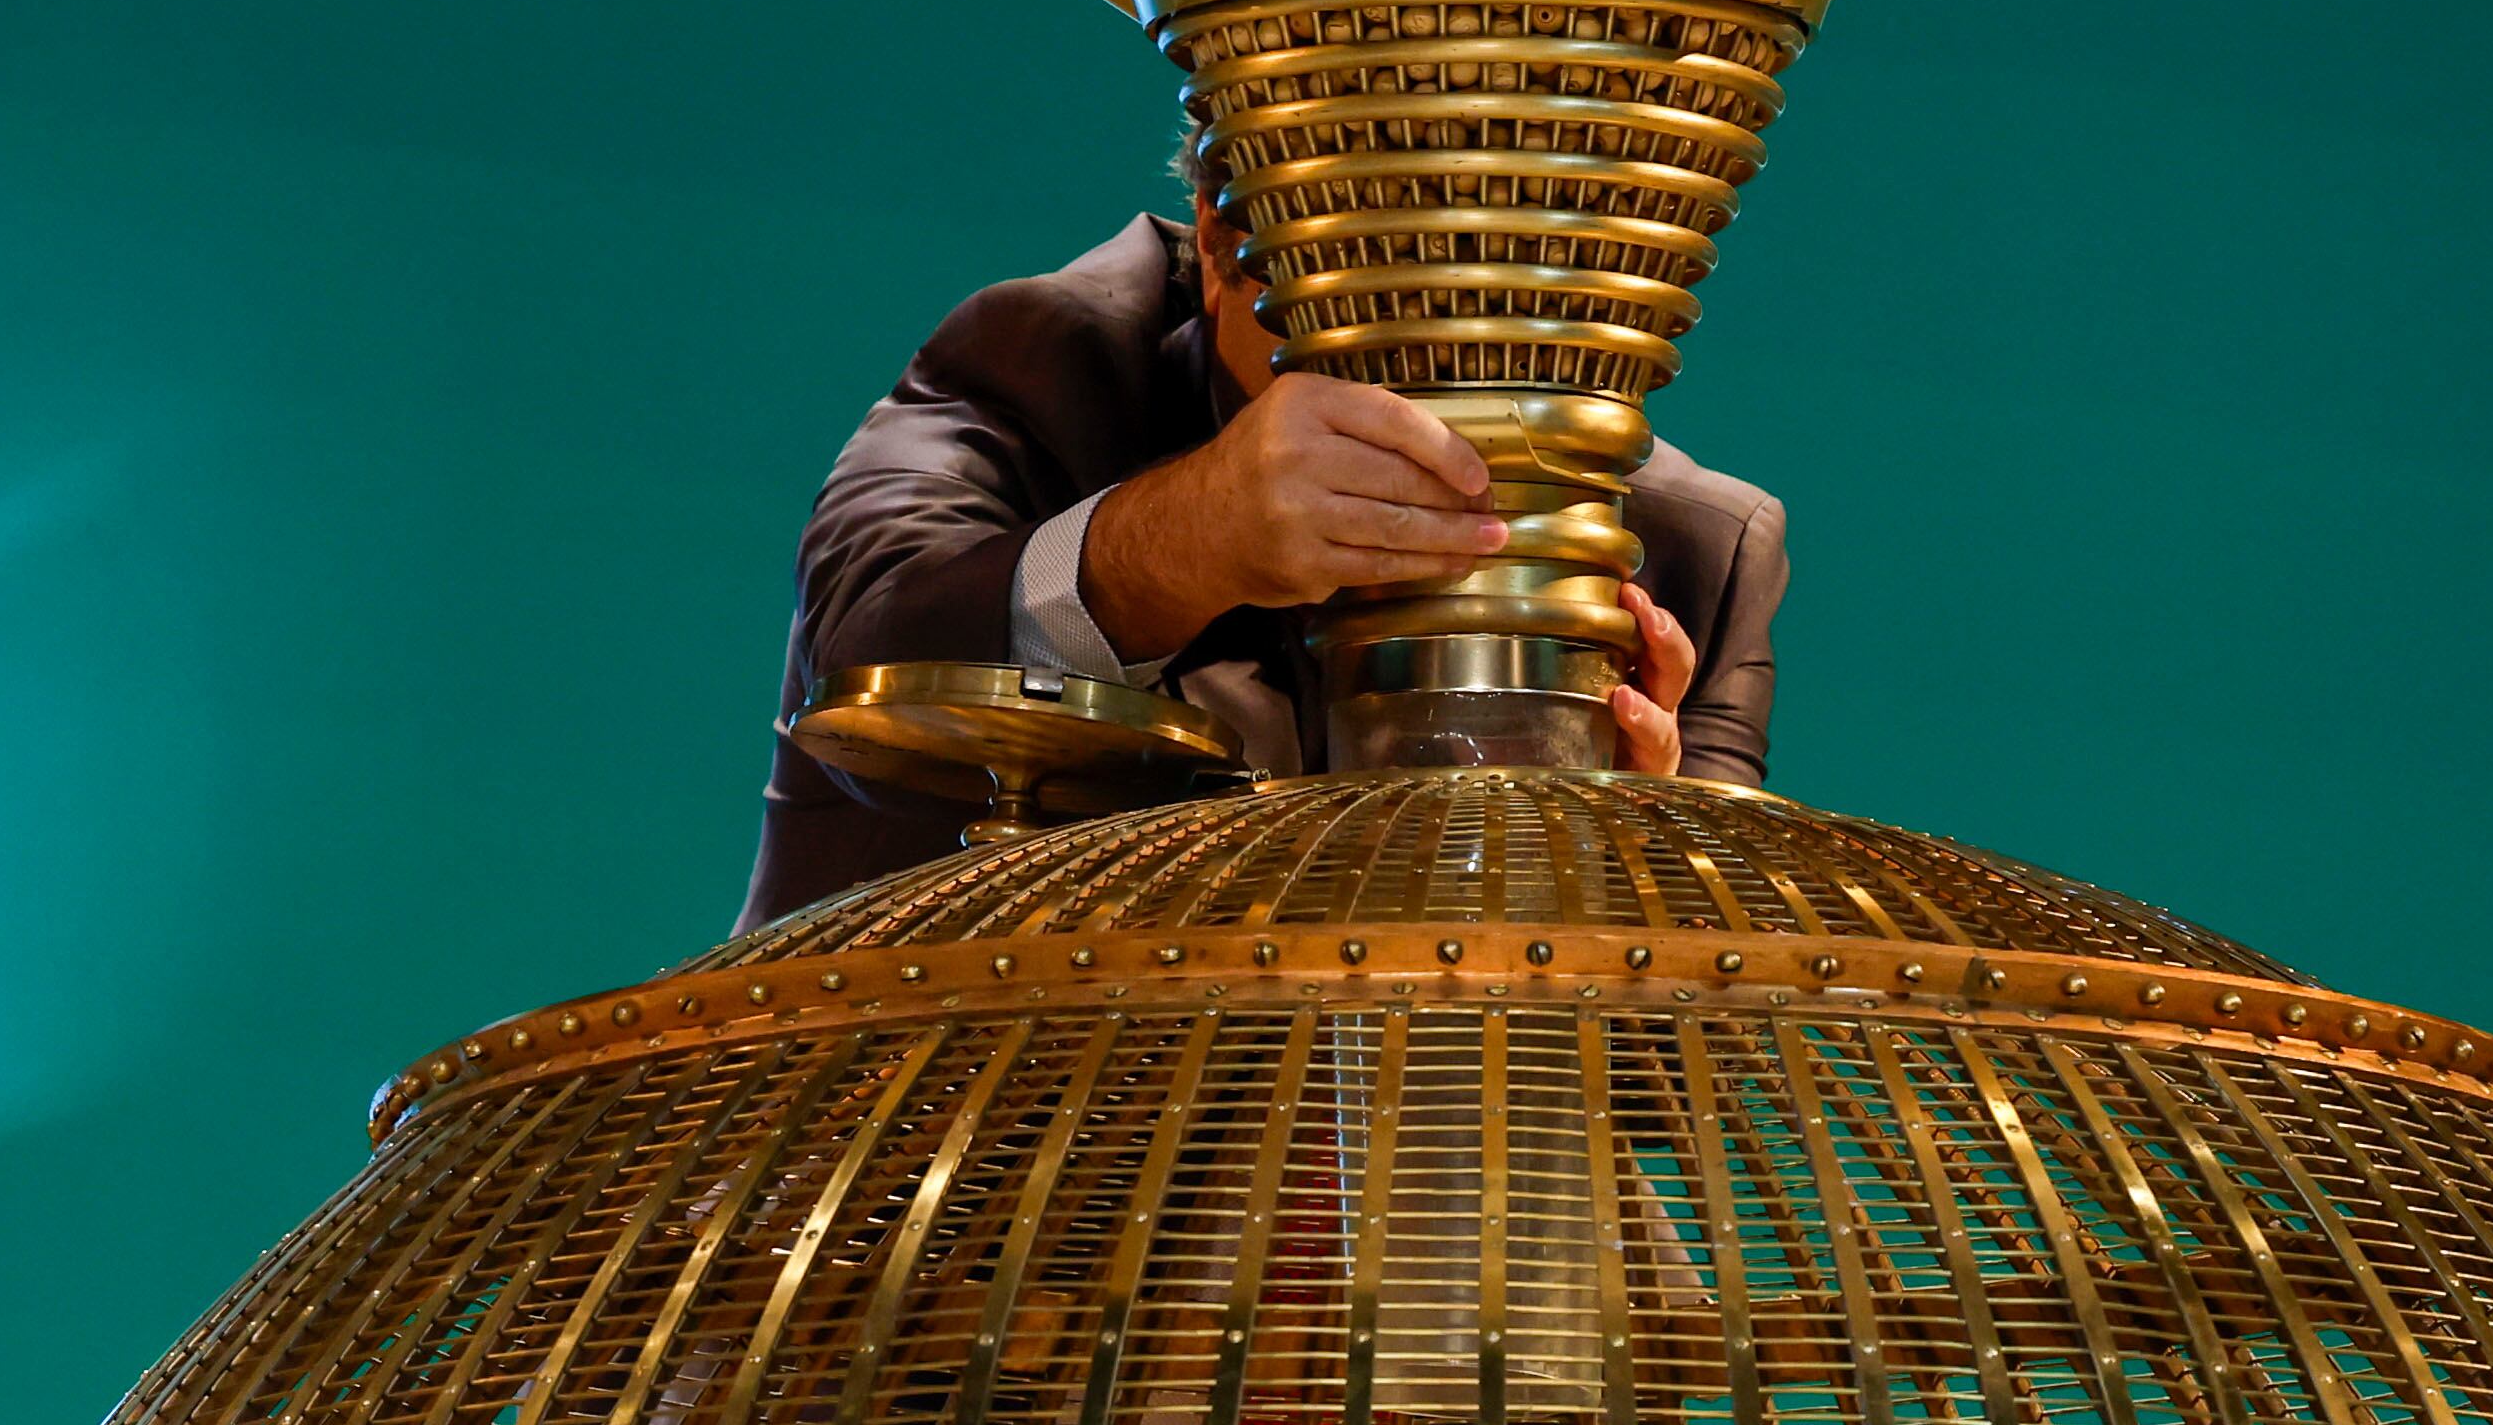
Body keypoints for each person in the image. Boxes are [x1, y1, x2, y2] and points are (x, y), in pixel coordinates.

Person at [740, 156, 1789, 926]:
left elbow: (1674, 1084)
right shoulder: (1047, 360)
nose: (1418, 389)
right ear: (1213, 230)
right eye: (1371, 294)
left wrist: (1645, 863)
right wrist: (1188, 535)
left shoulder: (1690, 544)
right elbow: (859, 671)